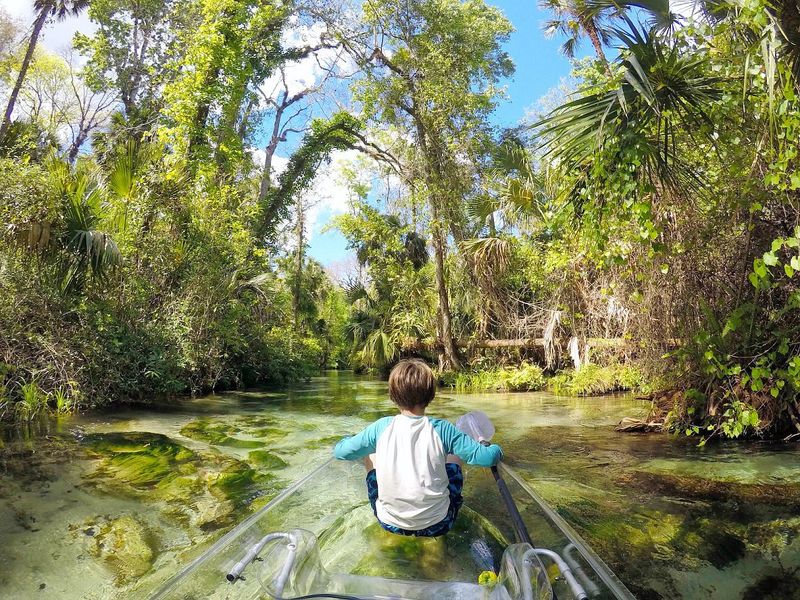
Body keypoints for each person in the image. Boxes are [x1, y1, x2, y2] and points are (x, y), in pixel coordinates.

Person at [333, 359, 503, 537]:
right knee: (454, 456)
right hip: (439, 524)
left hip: (389, 523)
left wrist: (349, 439)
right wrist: (496, 449)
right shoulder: (443, 429)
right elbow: (488, 457)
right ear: (431, 395)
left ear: (393, 395)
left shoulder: (380, 428)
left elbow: (341, 452)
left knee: (371, 453)